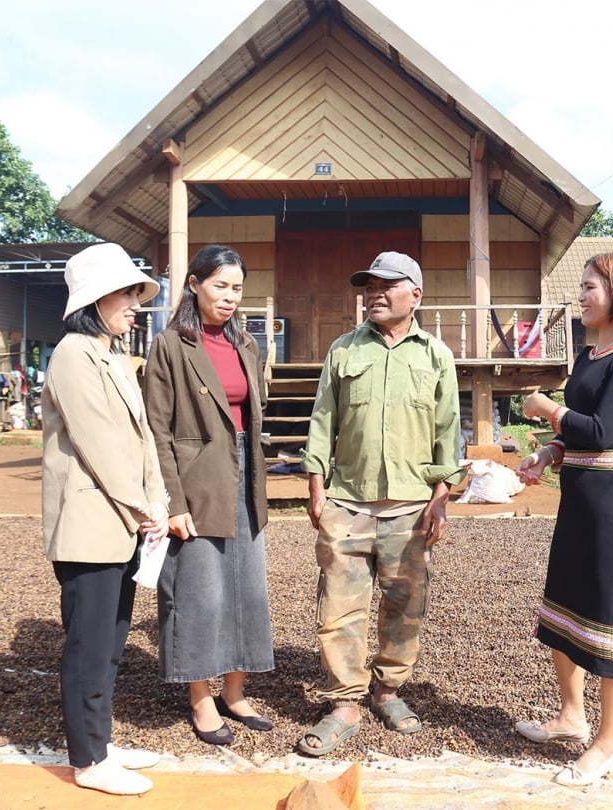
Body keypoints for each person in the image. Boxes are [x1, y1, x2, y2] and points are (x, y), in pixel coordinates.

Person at [297, 251, 464, 757]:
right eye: (369, 286)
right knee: (338, 609)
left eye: (386, 285)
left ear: (415, 293)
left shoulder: (435, 356)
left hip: (412, 506)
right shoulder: (344, 350)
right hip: (347, 502)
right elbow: (323, 419)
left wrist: (441, 496)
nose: (374, 293)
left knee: (405, 606)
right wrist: (315, 483)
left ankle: (388, 690)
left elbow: (448, 431)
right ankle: (344, 703)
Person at [515, 251, 613, 786]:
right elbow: (577, 434)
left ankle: (607, 745)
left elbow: (602, 431)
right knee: (563, 611)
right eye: (581, 286)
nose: (581, 295)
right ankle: (572, 717)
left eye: (590, 286)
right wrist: (548, 452)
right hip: (578, 496)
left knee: (608, 622)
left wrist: (545, 407)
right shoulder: (590, 355)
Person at [41, 242, 170, 796]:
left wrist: (157, 504)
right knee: (89, 646)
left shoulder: (112, 357)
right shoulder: (73, 354)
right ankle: (88, 761)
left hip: (120, 526)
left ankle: (101, 742)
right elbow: (98, 445)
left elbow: (140, 444)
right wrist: (145, 510)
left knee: (111, 644)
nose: (136, 303)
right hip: (92, 528)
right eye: (126, 292)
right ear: (94, 298)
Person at [143, 244, 275, 746]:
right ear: (194, 284)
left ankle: (235, 693)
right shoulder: (170, 345)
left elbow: (252, 416)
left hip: (245, 474)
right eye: (220, 285)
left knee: (246, 588)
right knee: (199, 592)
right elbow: (156, 429)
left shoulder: (247, 344)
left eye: (237, 288)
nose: (230, 297)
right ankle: (201, 698)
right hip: (196, 479)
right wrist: (173, 502)